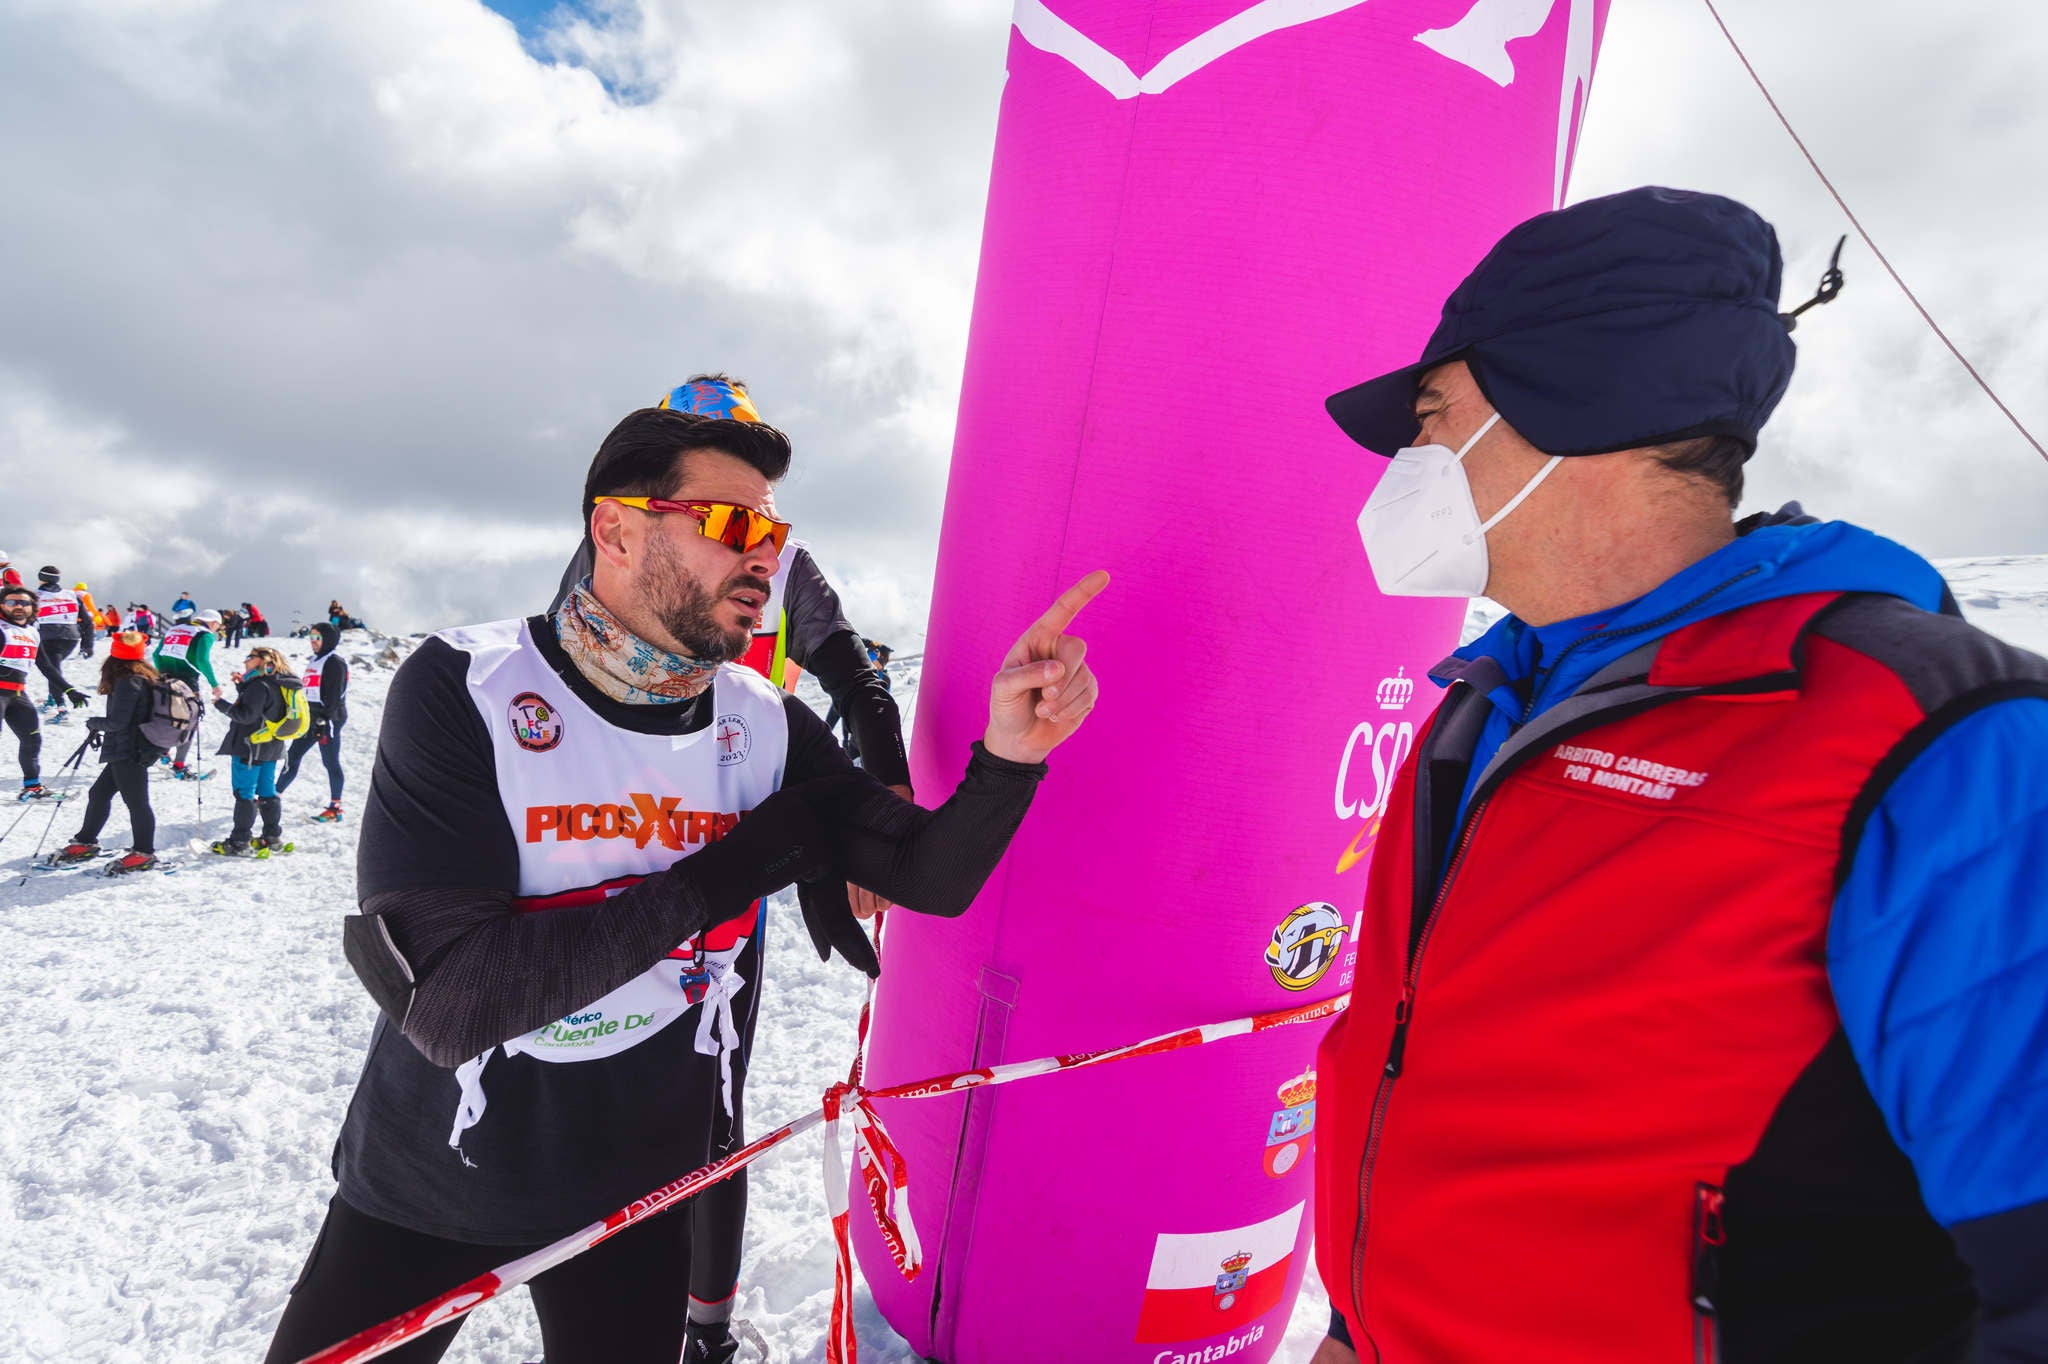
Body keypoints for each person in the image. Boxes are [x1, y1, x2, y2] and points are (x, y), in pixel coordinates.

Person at [1309, 187, 2048, 1364]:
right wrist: (1356, 1324)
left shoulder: (1942, 735)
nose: (1408, 458)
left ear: (1577, 399)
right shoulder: (1479, 705)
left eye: (1431, 414)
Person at [266, 404, 1103, 1364]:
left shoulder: (761, 716)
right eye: (731, 526)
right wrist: (739, 868)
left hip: (633, 1185)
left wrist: (1010, 756)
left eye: (775, 535)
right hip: (439, 1178)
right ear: (615, 528)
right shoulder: (471, 686)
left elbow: (930, 876)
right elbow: (456, 999)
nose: (764, 560)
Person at [554, 376, 913, 924]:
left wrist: (884, 817)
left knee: (718, 977)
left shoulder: (785, 563)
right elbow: (556, 667)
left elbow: (860, 685)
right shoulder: (625, 545)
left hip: (737, 809)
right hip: (609, 809)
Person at [48, 632, 171, 874]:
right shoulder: (141, 676)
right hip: (128, 748)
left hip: (130, 750)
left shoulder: (129, 680)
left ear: (115, 654)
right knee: (99, 794)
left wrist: (94, 722)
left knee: (136, 802)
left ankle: (144, 853)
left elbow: (118, 722)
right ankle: (86, 841)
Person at [209, 644, 307, 856]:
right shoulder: (278, 683)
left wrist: (220, 704)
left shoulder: (259, 686)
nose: (245, 661)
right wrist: (242, 687)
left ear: (262, 661)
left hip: (249, 747)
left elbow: (245, 715)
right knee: (267, 792)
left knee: (244, 793)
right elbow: (262, 708)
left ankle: (239, 841)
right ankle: (272, 837)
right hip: (271, 746)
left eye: (249, 657)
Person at [278, 620, 349, 822]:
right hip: (311, 717)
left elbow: (336, 695)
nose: (313, 642)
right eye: (311, 637)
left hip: (329, 719)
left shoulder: (334, 661)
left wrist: (324, 719)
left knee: (330, 761)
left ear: (328, 639)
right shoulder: (316, 660)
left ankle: (335, 808)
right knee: (292, 756)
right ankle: (273, 796)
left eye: (317, 638)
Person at [154, 610, 226, 779]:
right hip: (187, 681)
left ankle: (163, 754)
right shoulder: (205, 635)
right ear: (214, 623)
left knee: (164, 716)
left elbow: (157, 654)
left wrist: (161, 673)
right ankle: (179, 766)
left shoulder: (175, 629)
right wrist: (214, 684)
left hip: (164, 677)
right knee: (190, 721)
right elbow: (202, 660)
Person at [0, 584, 55, 801]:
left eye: (24, 602)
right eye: (12, 602)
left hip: (18, 695)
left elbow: (46, 666)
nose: (19, 606)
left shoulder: (32, 632)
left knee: (32, 740)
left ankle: (32, 787)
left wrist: (69, 689)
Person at [34, 566, 91, 717]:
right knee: (54, 667)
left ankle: (61, 707)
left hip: (47, 637)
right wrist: (87, 645)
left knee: (52, 668)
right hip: (71, 638)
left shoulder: (35, 596)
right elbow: (88, 622)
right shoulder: (71, 595)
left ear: (41, 578)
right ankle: (54, 699)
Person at [74, 582, 102, 655]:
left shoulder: (70, 593)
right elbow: (90, 606)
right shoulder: (85, 595)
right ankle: (85, 649)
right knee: (87, 634)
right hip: (83, 617)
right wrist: (96, 615)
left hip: (72, 618)